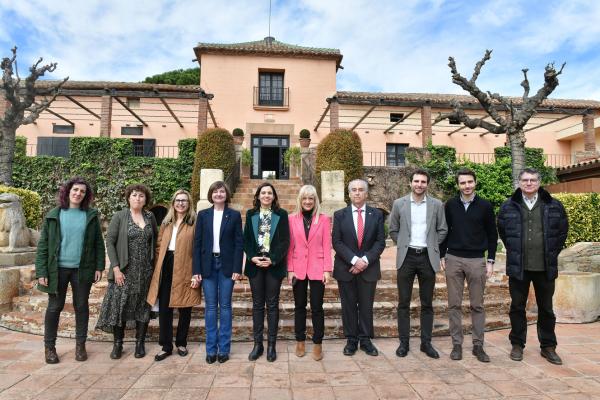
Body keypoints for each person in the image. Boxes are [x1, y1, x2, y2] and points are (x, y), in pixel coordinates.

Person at [497, 168, 568, 365]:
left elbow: (562, 232)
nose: (529, 183)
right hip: (518, 267)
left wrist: (552, 252)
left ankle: (548, 346)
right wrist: (515, 250)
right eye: (525, 180)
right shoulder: (508, 207)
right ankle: (517, 344)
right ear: (519, 182)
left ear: (539, 182)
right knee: (517, 307)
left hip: (545, 267)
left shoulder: (554, 205)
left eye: (533, 180)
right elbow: (503, 231)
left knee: (546, 308)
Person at [35, 177, 105, 364]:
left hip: (82, 270)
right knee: (54, 307)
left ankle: (80, 346)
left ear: (86, 195)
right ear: (68, 191)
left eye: (82, 191)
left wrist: (99, 266)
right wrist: (41, 271)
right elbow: (43, 246)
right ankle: (49, 348)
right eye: (75, 190)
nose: (78, 194)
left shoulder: (90, 215)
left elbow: (99, 243)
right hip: (56, 270)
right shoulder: (54, 215)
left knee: (81, 306)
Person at [388, 168, 447, 359]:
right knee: (403, 302)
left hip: (427, 258)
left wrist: (431, 245)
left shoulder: (437, 205)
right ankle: (403, 343)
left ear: (427, 184)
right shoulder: (399, 204)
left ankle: (426, 343)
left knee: (427, 303)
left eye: (423, 182)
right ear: (410, 183)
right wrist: (403, 243)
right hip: (406, 257)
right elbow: (393, 229)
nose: (419, 185)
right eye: (416, 181)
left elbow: (443, 229)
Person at [440, 168, 497, 362]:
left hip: (476, 261)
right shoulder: (450, 205)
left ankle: (478, 345)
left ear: (475, 182)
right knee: (454, 305)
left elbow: (492, 234)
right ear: (458, 185)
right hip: (453, 259)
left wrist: (490, 261)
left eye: (470, 182)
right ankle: (456, 344)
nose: (467, 186)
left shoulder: (485, 206)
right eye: (463, 183)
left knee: (477, 305)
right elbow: (444, 231)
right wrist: (442, 255)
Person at [96, 184, 158, 359]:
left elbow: (155, 240)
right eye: (134, 195)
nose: (138, 198)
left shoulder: (150, 216)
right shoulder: (120, 216)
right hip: (124, 271)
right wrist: (116, 269)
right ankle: (118, 344)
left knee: (143, 307)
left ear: (146, 199)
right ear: (128, 198)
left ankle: (140, 343)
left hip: (145, 271)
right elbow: (110, 243)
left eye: (141, 196)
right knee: (120, 306)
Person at [147, 189, 201, 362]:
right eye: (178, 200)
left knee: (185, 307)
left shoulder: (194, 222)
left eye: (184, 200)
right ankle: (166, 346)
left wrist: (196, 272)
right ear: (173, 202)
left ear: (189, 203)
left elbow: (198, 248)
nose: (181, 203)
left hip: (186, 265)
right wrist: (157, 264)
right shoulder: (166, 222)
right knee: (165, 308)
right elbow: (159, 245)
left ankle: (181, 343)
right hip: (166, 265)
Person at [332, 179, 385, 357]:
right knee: (348, 305)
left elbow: (380, 242)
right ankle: (351, 340)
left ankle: (366, 340)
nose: (357, 193)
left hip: (368, 268)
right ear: (349, 194)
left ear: (366, 193)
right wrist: (354, 260)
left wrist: (364, 261)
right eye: (353, 190)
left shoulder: (376, 214)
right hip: (346, 268)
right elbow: (337, 242)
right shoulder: (340, 215)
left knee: (366, 305)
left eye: (361, 190)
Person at [192, 181, 243, 364]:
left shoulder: (234, 215)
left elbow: (239, 244)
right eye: (215, 191)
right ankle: (211, 350)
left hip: (227, 266)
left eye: (221, 191)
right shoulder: (203, 215)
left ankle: (224, 349)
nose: (218, 194)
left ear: (226, 194)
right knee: (211, 308)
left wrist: (238, 268)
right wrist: (196, 270)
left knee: (226, 307)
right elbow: (196, 244)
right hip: (207, 266)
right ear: (211, 195)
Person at [244, 182, 290, 362]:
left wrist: (273, 259)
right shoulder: (250, 214)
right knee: (257, 305)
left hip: (274, 265)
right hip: (255, 264)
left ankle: (271, 345)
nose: (266, 196)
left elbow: (285, 241)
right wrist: (251, 257)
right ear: (258, 196)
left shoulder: (281, 214)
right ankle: (258, 345)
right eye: (263, 193)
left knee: (272, 305)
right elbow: (246, 239)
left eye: (269, 193)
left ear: (274, 197)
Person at [287, 185, 332, 361]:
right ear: (300, 200)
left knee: (317, 307)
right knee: (299, 307)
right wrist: (290, 269)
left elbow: (327, 246)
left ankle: (318, 342)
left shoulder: (324, 219)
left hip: (317, 268)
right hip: (297, 269)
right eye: (304, 198)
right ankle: (300, 341)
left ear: (315, 200)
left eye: (311, 198)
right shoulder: (292, 219)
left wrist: (327, 269)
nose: (307, 201)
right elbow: (290, 247)